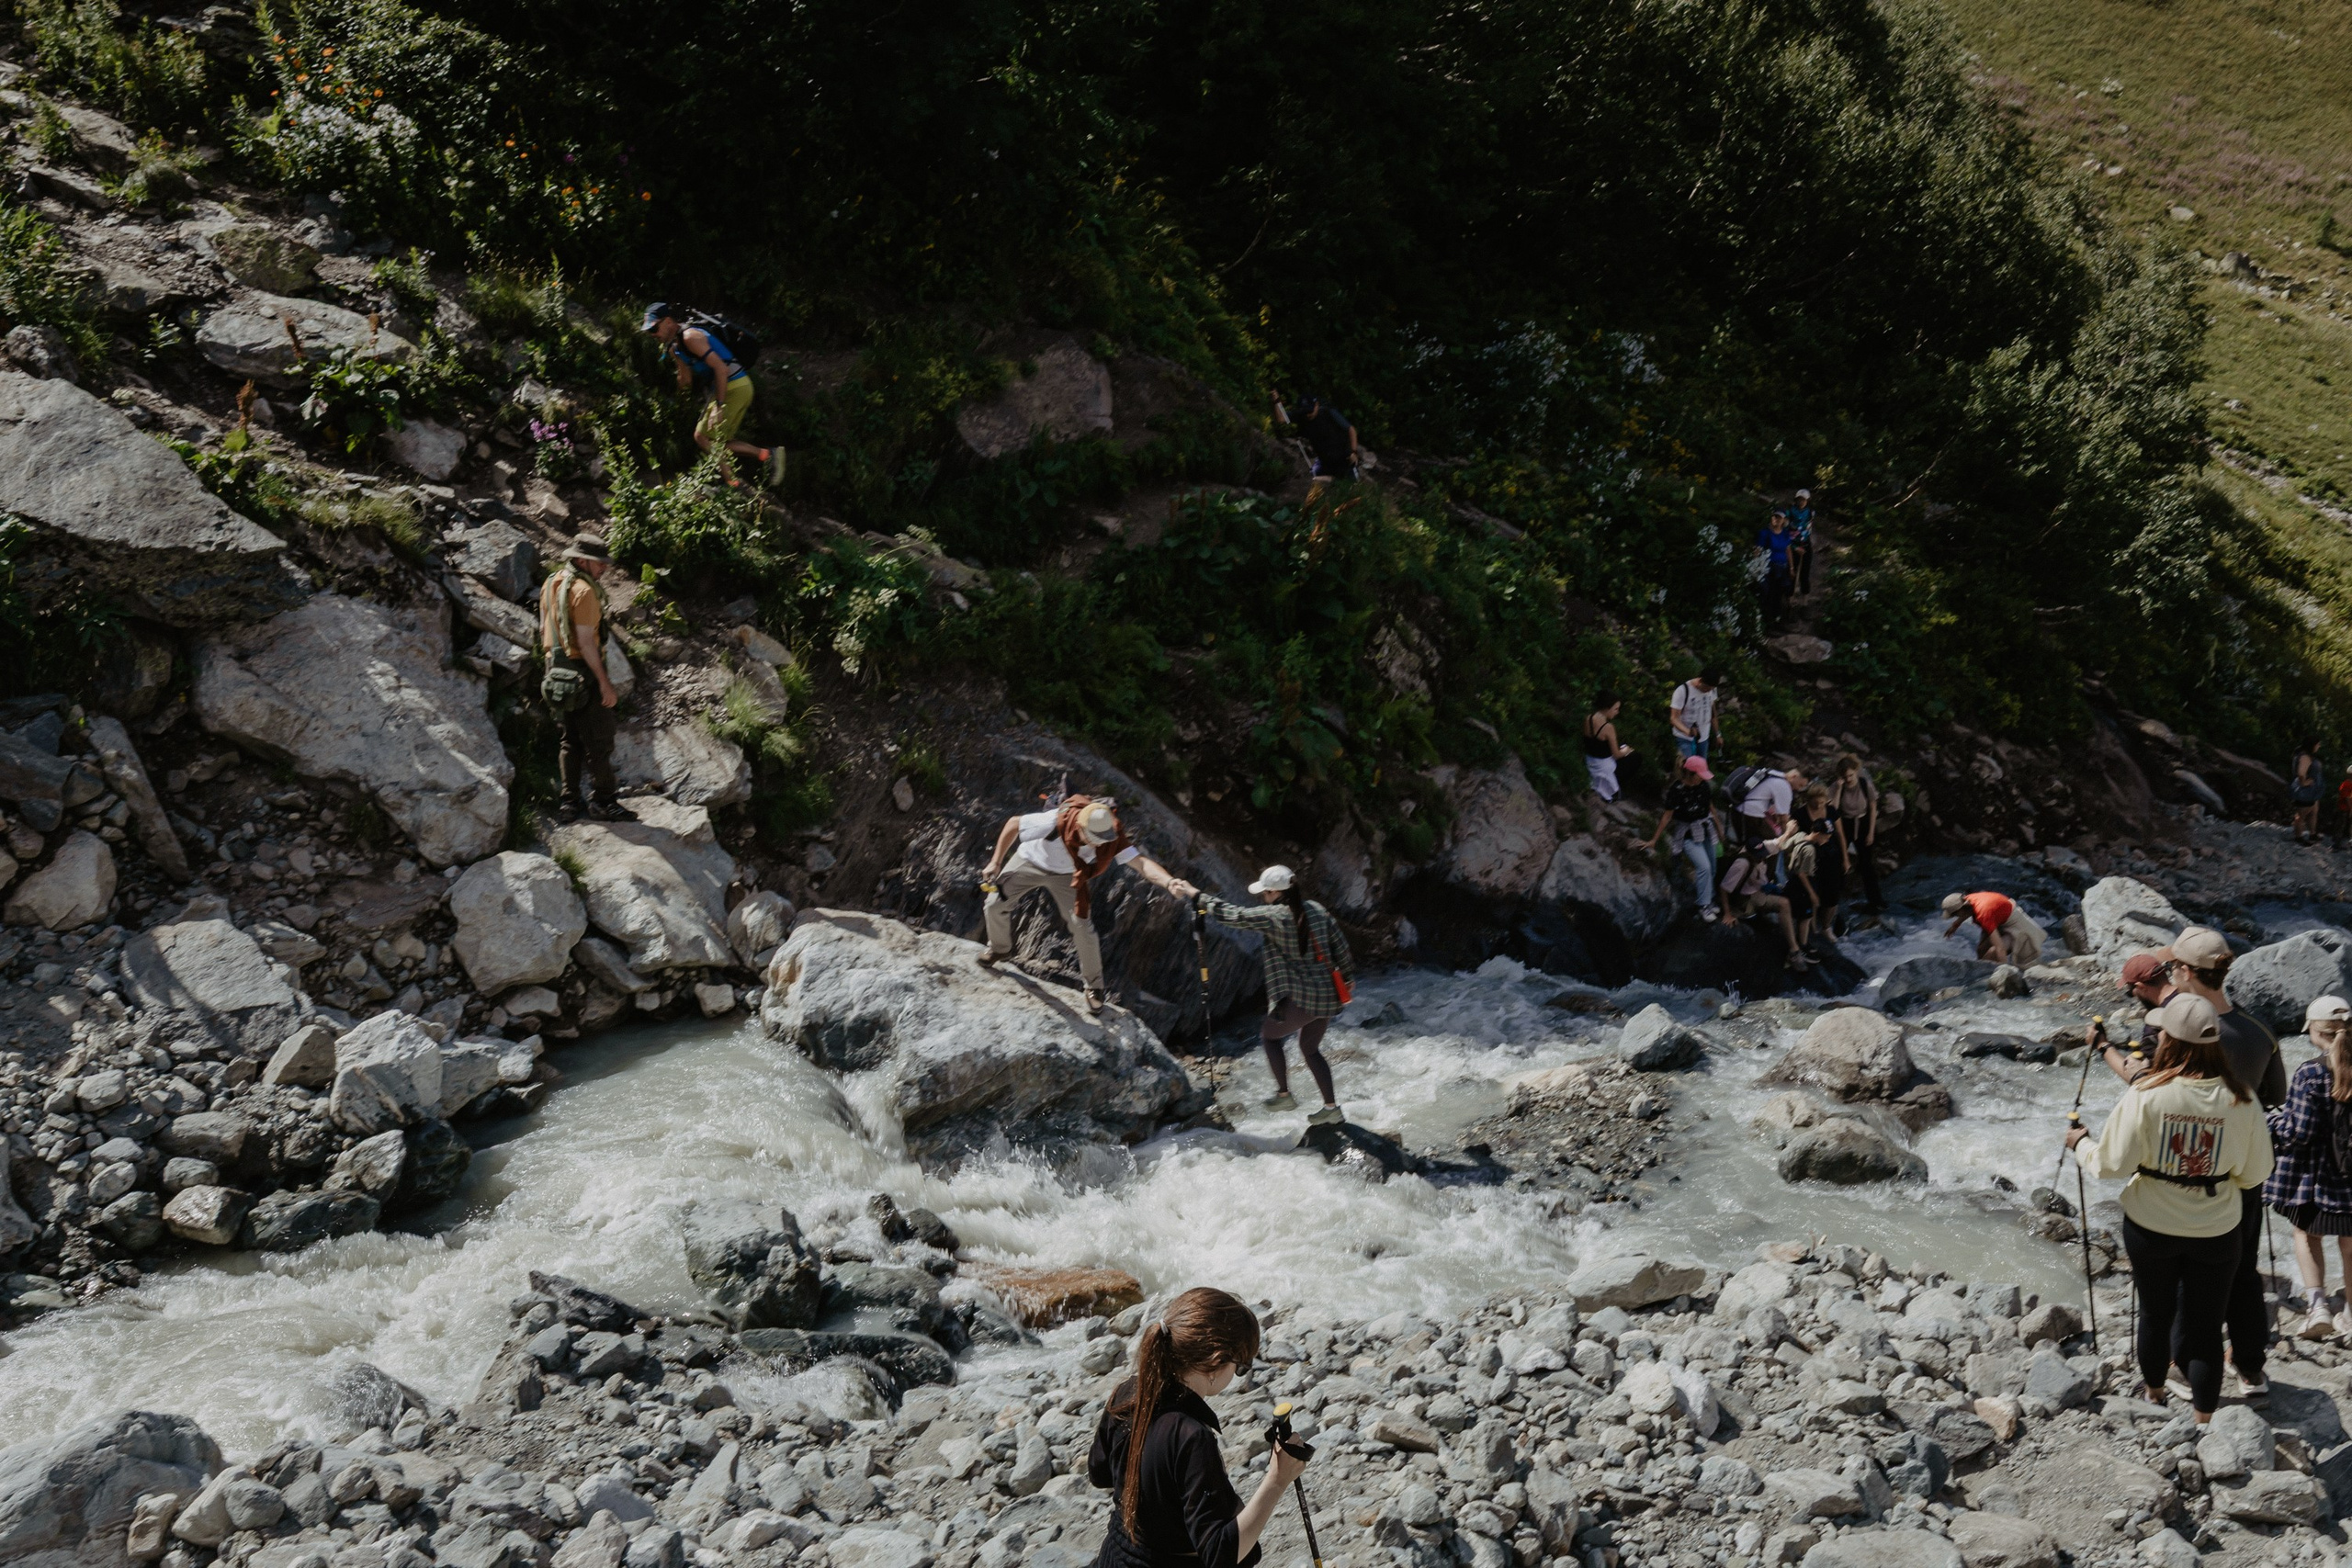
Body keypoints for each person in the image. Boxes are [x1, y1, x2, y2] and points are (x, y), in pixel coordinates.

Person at [2068, 994, 2274, 1421]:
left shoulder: (2146, 1094)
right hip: (2216, 1230)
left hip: (2150, 1226)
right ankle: (2204, 1420)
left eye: (2162, 1031)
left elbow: (2109, 1165)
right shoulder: (2242, 1098)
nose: (2158, 1036)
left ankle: (2155, 1394)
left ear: (2171, 1041)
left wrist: (2080, 1144)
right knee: (2206, 1327)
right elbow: (2255, 1174)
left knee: (2155, 1314)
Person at [1088, 1286, 1304, 1568]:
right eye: (1240, 1367)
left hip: (1114, 1557)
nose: (1238, 1375)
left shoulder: (1127, 1393)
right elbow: (1220, 1554)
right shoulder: (1192, 1437)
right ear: (1216, 1363)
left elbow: (1099, 1473)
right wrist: (1277, 1479)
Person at [2165, 923, 2286, 1400]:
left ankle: (2183, 1364)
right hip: (2244, 1168)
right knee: (2242, 1268)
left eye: (2173, 967)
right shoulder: (2260, 1032)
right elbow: (2274, 1096)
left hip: (2185, 1168)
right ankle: (2251, 1367)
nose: (2169, 973)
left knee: (2188, 1268)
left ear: (2188, 973)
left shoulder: (2178, 1030)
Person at [1176, 865, 1356, 1123]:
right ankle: (1331, 1109)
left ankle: (1284, 1095)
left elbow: (1233, 915)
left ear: (1275, 892)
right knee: (1310, 1049)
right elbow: (1341, 945)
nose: (1263, 897)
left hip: (1306, 998)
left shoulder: (1274, 916)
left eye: (1265, 893)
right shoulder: (1316, 909)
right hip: (1329, 995)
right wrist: (1348, 977)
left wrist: (1195, 894)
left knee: (1269, 1038)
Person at [979, 795, 1191, 1014]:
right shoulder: (1055, 821)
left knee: (1082, 927)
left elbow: (1141, 863)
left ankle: (1094, 987)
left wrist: (1169, 882)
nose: (1099, 843)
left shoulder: (1111, 834)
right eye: (1094, 838)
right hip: (1030, 861)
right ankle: (999, 949)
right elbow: (1014, 823)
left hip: (1067, 875)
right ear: (1080, 827)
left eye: (1102, 839)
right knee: (995, 904)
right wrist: (996, 862)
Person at [2265, 996, 2352, 1340]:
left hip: (2315, 1179)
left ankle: (2318, 1308)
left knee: (2306, 1234)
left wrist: (2270, 1123)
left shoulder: (2310, 1072)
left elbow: (2297, 1132)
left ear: (2315, 1031)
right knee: (2350, 1244)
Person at [640, 303, 785, 489]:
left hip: (735, 385)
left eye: (654, 328)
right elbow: (685, 379)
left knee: (704, 438)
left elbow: (721, 368)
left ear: (668, 322)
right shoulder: (676, 347)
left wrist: (719, 405)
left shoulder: (690, 337)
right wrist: (678, 405)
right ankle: (760, 460)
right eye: (649, 331)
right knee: (714, 440)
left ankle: (735, 482)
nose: (652, 334)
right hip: (732, 386)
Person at [537, 534, 624, 823]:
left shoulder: (551, 582)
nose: (604, 568)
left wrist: (554, 668)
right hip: (582, 672)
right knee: (600, 740)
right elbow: (586, 643)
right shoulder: (584, 591)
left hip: (555, 672)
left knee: (570, 740)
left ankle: (569, 802)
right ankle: (604, 802)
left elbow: (543, 629)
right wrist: (604, 683)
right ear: (582, 560)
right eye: (599, 563)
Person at [1643, 755, 1722, 920]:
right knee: (1704, 867)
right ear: (1691, 773)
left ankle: (1710, 898)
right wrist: (1654, 840)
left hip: (1706, 829)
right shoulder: (1677, 790)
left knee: (1713, 867)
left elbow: (1710, 807)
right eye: (1700, 775)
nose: (1702, 778)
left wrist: (1719, 826)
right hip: (1688, 834)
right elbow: (1667, 816)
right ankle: (1703, 905)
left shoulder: (1703, 786)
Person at [1718, 835, 1813, 971]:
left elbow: (1777, 843)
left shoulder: (1762, 848)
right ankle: (1794, 951)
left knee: (1787, 900)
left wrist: (1789, 832)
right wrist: (1727, 913)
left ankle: (1795, 945)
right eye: (1759, 856)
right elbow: (1724, 888)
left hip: (1758, 889)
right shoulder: (1742, 864)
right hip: (1747, 898)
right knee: (1783, 904)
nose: (1762, 858)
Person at [1273, 393, 1359, 497]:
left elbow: (1351, 429)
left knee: (1354, 492)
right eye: (1305, 412)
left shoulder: (1328, 413)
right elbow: (1281, 418)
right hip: (1325, 461)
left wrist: (1354, 452)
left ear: (1317, 405)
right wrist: (1276, 400)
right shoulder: (1302, 415)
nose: (1308, 415)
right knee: (1319, 487)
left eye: (1310, 411)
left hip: (1344, 458)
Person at [1831, 753, 1883, 914]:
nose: (1848, 779)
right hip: (1845, 824)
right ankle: (1832, 903)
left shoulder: (1864, 784)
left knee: (1867, 864)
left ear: (1856, 771)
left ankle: (1875, 902)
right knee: (1838, 861)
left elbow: (1873, 806)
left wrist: (1871, 832)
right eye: (1845, 777)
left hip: (1863, 822)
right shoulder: (1837, 786)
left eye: (1851, 775)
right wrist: (1839, 788)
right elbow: (1833, 809)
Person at [1793, 782, 1844, 948]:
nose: (1819, 805)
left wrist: (1846, 858)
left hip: (1831, 857)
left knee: (1833, 895)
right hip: (1812, 858)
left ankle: (1826, 927)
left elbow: (1840, 833)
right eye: (1815, 802)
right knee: (1813, 894)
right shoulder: (1800, 814)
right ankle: (1813, 928)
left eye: (1822, 802)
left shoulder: (1830, 811)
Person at [1939, 888, 2044, 967]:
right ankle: (1986, 972)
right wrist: (1955, 925)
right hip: (2000, 919)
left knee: (1991, 953)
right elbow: (1967, 911)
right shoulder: (1968, 900)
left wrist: (2006, 971)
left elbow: (2000, 948)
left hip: (2018, 928)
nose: (1955, 917)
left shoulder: (1983, 914)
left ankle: (1992, 974)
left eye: (1954, 914)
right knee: (1981, 950)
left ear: (1961, 909)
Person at [1734, 763, 1801, 852]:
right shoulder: (1784, 786)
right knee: (1769, 846)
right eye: (1801, 785)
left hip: (1740, 809)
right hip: (1751, 814)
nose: (1799, 789)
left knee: (1748, 847)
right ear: (1794, 776)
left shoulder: (1774, 774)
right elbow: (1783, 819)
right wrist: (1788, 834)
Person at [1582, 694, 1634, 801]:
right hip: (1603, 765)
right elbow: (1617, 755)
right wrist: (1626, 750)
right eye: (1616, 709)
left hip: (1590, 759)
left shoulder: (1588, 718)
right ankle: (1616, 788)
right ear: (1607, 708)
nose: (1617, 712)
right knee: (1634, 757)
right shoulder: (1608, 727)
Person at [1668, 672, 1722, 761]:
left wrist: (1718, 734)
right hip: (1684, 738)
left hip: (1704, 738)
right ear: (1700, 681)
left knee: (1701, 767)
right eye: (1706, 688)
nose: (1708, 691)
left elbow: (1713, 714)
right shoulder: (1683, 691)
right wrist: (1688, 731)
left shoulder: (1711, 690)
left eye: (1711, 689)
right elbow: (1674, 719)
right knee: (1688, 766)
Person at [1755, 511, 1795, 626]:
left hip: (1783, 568)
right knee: (1768, 593)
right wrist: (1756, 566)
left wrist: (1791, 568)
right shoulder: (1765, 533)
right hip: (1769, 568)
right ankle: (1766, 621)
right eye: (1774, 517)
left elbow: (1788, 550)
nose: (1776, 519)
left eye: (1779, 518)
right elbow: (1757, 551)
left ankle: (1778, 619)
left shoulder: (1785, 534)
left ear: (1784, 521)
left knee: (1780, 593)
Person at [2292, 739, 2324, 843]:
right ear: (2312, 745)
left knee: (2314, 812)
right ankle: (2298, 837)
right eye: (2318, 744)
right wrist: (2304, 782)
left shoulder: (2307, 756)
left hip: (2312, 791)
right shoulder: (2304, 757)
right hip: (2305, 791)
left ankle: (2312, 834)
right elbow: (2301, 773)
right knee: (2301, 814)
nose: (2319, 746)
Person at [1788, 489, 1817, 596]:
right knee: (1792, 571)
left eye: (1803, 500)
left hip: (1806, 543)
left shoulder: (1810, 512)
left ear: (1807, 501)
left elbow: (1809, 527)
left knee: (1805, 572)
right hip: (1793, 544)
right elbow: (1786, 527)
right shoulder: (1790, 511)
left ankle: (1805, 596)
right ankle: (1789, 596)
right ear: (1796, 500)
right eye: (1799, 499)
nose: (1801, 502)